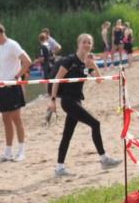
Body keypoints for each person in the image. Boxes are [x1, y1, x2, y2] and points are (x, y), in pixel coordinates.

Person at [47, 34, 122, 177]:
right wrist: (52, 100)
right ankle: (104, 158)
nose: (86, 44)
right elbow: (56, 79)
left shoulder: (86, 64)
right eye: (84, 42)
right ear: (79, 44)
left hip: (77, 101)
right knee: (95, 124)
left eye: (89, 42)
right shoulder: (70, 60)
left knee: (67, 135)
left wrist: (93, 64)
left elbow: (99, 80)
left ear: (91, 45)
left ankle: (59, 168)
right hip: (68, 101)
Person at [0, 23, 32, 162]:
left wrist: (17, 76)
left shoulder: (12, 44)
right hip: (2, 86)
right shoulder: (1, 47)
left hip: (12, 86)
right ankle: (8, 151)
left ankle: (21, 151)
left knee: (16, 119)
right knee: (5, 119)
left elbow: (27, 61)